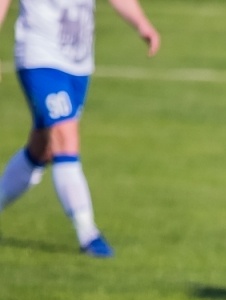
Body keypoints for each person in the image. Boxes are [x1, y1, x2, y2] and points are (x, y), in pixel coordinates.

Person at [0, 0, 159, 256]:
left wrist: (141, 23)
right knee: (65, 137)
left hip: (77, 63)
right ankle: (88, 234)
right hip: (40, 58)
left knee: (43, 149)